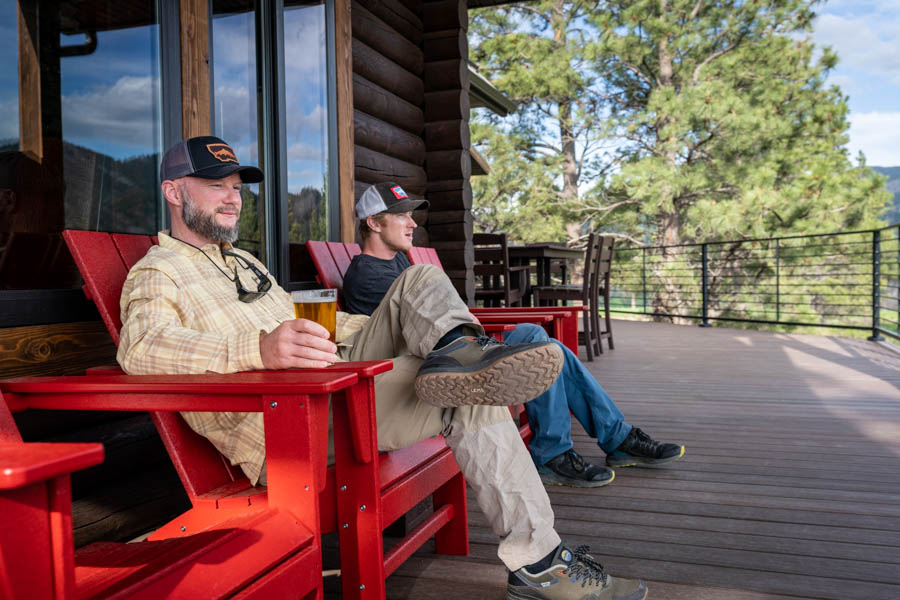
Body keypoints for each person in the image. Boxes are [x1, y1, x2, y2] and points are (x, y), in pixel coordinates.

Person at [117, 136, 648, 600]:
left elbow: (309, 327)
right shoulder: (157, 271)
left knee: (418, 287)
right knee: (467, 394)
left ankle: (463, 350)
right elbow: (140, 349)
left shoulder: (244, 261)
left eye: (237, 186)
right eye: (216, 185)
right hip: (285, 421)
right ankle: (540, 566)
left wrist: (352, 330)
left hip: (329, 377)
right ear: (173, 192)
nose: (233, 197)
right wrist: (258, 349)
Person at [343, 182, 685, 489]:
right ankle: (565, 450)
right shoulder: (368, 273)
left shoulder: (399, 265)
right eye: (401, 215)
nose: (413, 223)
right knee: (539, 344)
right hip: (424, 365)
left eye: (411, 215)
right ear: (373, 222)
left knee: (538, 336)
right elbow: (409, 335)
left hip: (452, 345)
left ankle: (612, 438)